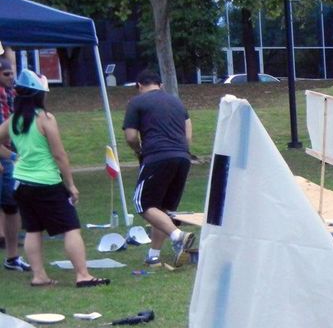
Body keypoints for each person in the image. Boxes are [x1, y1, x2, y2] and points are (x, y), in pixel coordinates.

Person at [0, 69, 109, 287]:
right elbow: (59, 155)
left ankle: (39, 276)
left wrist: (13, 157)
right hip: (47, 182)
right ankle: (83, 275)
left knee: (33, 229)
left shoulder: (13, 120)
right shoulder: (46, 118)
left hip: (21, 183)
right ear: (38, 94)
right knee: (71, 227)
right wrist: (70, 184)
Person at [123, 69, 196, 266]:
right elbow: (188, 134)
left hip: (157, 156)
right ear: (161, 85)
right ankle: (153, 256)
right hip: (182, 157)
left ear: (139, 86)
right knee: (162, 209)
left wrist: (139, 151)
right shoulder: (177, 102)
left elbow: (130, 136)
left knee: (143, 204)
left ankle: (178, 235)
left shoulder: (137, 102)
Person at [0, 57, 30, 271]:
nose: (12, 77)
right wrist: (11, 158)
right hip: (5, 157)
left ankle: (12, 257)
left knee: (11, 206)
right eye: (6, 74)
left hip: (8, 156)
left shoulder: (9, 96)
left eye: (12, 73)